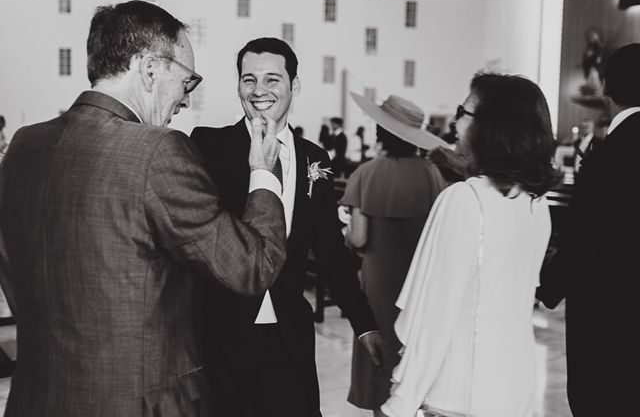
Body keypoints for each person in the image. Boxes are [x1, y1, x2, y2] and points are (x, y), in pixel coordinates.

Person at [0, 0, 287, 417]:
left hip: (36, 398)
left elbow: (10, 264)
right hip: (136, 402)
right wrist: (263, 172)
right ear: (151, 68)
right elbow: (254, 265)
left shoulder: (25, 145)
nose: (186, 102)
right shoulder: (158, 151)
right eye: (188, 82)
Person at [190, 37, 384, 417]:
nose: (259, 90)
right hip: (223, 335)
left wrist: (364, 324)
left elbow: (329, 250)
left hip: (287, 336)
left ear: (294, 86)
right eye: (249, 80)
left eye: (272, 79)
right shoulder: (209, 146)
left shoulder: (314, 157)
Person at [380, 73, 561, 417]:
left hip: (458, 392)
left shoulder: (464, 200)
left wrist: (401, 401)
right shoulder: (537, 204)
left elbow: (437, 314)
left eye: (464, 111)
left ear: (492, 127)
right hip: (514, 386)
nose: (454, 120)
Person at [537, 43, 640, 415]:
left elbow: (586, 240)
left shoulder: (608, 156)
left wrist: (546, 284)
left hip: (608, 322)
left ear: (607, 91)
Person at [342, 93, 447, 416]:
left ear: (380, 131)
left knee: (380, 357)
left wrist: (345, 234)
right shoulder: (434, 176)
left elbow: (359, 237)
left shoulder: (366, 173)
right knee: (413, 357)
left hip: (378, 283)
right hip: (418, 285)